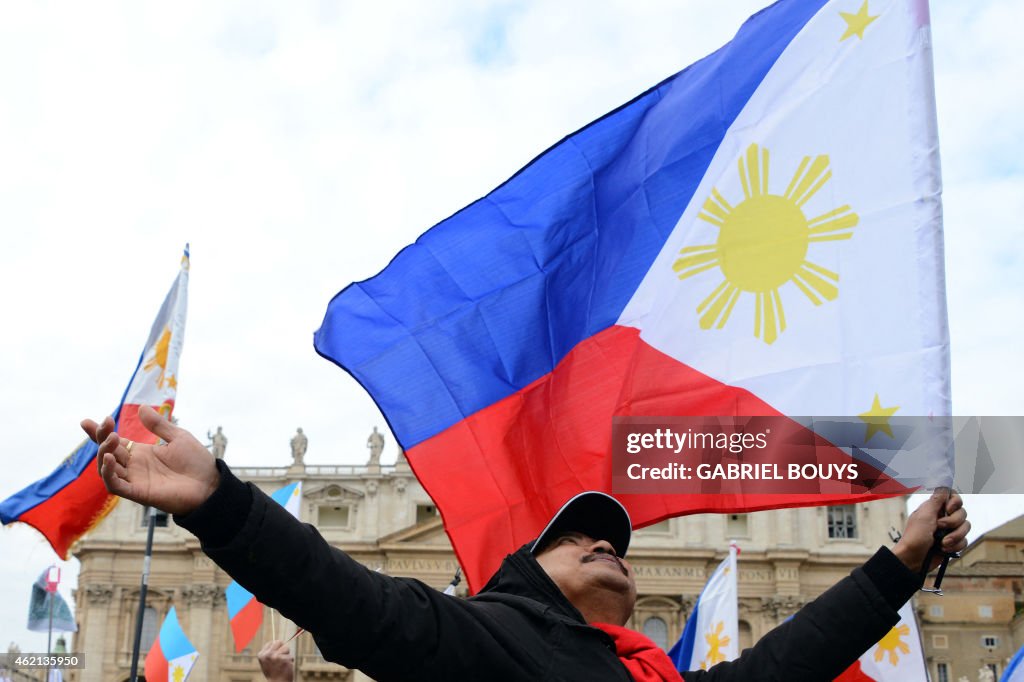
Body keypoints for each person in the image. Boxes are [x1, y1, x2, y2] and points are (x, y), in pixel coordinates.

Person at [83, 406, 970, 681]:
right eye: (579, 537)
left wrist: (901, 562)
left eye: (614, 541)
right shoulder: (492, 642)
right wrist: (223, 505)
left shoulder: (648, 675)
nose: (607, 545)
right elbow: (346, 599)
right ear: (525, 572)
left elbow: (785, 664)